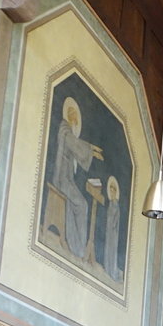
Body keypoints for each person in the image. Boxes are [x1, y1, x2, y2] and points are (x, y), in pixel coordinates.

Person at [50, 97, 103, 261]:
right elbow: (75, 145)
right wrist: (92, 149)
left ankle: (78, 246)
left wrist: (92, 151)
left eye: (75, 114)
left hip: (68, 180)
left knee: (83, 204)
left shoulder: (69, 133)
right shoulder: (64, 129)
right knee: (82, 204)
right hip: (62, 179)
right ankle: (77, 246)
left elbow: (75, 147)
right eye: (71, 112)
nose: (74, 116)